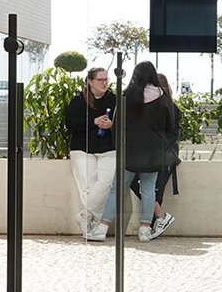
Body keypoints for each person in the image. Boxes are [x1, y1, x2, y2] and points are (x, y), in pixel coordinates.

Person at [94, 61, 178, 243]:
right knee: (148, 190)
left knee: (117, 190)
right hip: (153, 154)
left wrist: (120, 147)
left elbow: (116, 127)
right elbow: (171, 129)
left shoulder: (125, 97)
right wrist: (161, 147)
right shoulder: (163, 99)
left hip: (129, 152)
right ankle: (145, 230)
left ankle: (102, 228)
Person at [64, 66, 117, 242]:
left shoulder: (114, 100)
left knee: (106, 183)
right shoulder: (79, 101)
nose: (104, 83)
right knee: (87, 187)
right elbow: (70, 123)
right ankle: (89, 224)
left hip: (108, 149)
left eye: (106, 79)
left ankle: (84, 215)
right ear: (90, 82)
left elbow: (124, 124)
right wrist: (93, 121)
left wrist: (111, 126)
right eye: (100, 80)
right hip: (82, 149)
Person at [129, 73, 179, 239]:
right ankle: (159, 217)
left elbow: (172, 134)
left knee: (152, 189)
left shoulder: (171, 108)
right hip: (152, 154)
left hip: (163, 156)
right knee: (143, 186)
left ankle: (153, 222)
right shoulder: (154, 106)